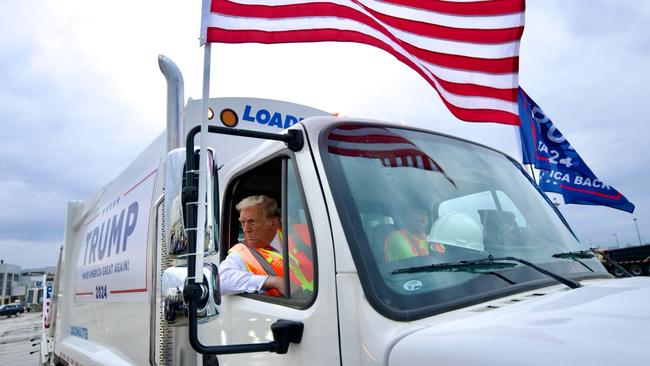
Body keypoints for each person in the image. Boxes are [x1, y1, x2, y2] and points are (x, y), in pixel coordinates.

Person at [219, 195, 313, 297]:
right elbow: (221, 281)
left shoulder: (298, 232)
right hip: (293, 309)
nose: (246, 229)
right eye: (243, 223)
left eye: (252, 221)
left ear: (273, 223)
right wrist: (273, 281)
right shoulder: (242, 252)